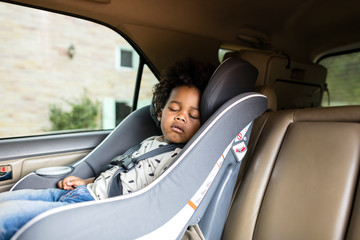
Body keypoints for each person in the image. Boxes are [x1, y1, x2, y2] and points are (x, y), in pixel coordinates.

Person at [0, 59, 215, 240]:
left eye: (193, 115)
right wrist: (86, 182)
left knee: (6, 218)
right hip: (81, 193)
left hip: (94, 209)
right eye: (174, 109)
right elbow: (123, 175)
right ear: (160, 113)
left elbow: (151, 200)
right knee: (6, 200)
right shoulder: (152, 140)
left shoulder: (182, 158)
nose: (181, 116)